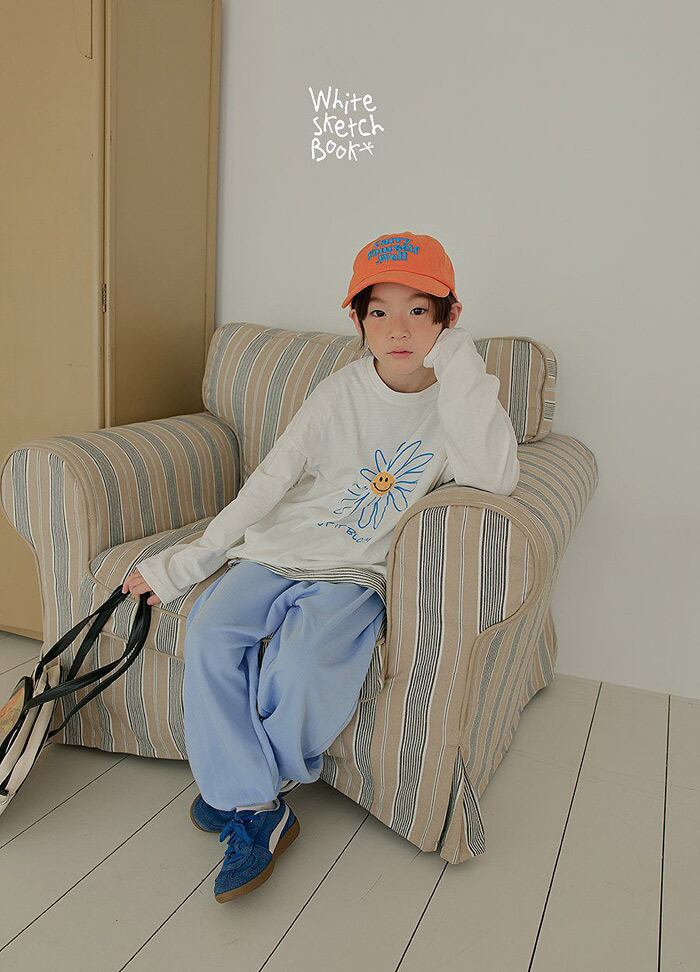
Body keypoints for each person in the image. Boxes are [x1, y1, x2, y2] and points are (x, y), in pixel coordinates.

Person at [121, 230, 520, 902]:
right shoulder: (338, 392)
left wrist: (458, 362)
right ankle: (258, 804)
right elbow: (269, 483)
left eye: (419, 311)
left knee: (305, 663)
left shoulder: (461, 398)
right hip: (280, 548)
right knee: (212, 630)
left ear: (449, 317)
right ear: (359, 320)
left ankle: (243, 795)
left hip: (357, 570)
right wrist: (182, 565)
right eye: (379, 311)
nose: (398, 329)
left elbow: (495, 478)